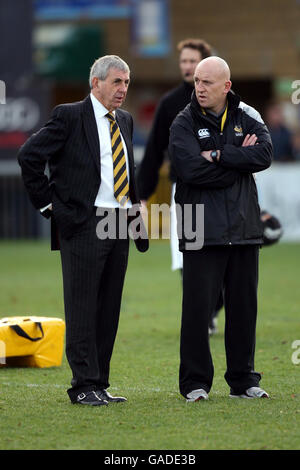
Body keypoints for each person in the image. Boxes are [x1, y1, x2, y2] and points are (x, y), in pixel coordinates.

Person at [18, 55, 148, 406]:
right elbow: (29, 157)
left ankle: (99, 383)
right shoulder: (70, 115)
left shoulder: (126, 120)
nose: (123, 89)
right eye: (117, 82)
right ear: (96, 83)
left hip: (119, 222)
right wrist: (50, 208)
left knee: (108, 308)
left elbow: (127, 172)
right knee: (83, 306)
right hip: (83, 222)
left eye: (126, 83)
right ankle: (82, 385)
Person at [168, 56, 273, 402]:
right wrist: (236, 162)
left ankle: (243, 381)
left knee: (244, 309)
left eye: (207, 82)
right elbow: (190, 171)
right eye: (197, 81)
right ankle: (195, 384)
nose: (199, 88)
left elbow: (264, 154)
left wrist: (216, 154)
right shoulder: (182, 123)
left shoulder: (248, 115)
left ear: (226, 86)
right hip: (200, 227)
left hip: (243, 226)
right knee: (198, 311)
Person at [137, 38, 212, 271]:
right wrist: (142, 195)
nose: (187, 66)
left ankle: (212, 305)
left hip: (219, 189)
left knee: (220, 257)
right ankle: (202, 308)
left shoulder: (224, 100)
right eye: (183, 61)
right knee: (187, 260)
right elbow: (154, 150)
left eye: (193, 61)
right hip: (184, 190)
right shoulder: (170, 103)